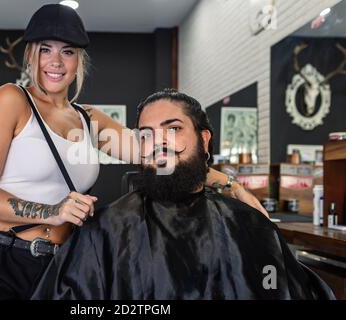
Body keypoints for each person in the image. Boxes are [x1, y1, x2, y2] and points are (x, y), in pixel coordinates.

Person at [0, 4, 267, 299]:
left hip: (57, 267)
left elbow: (157, 155)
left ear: (78, 60)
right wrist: (51, 211)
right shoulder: (12, 99)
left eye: (67, 52)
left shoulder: (88, 120)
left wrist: (229, 185)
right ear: (31, 55)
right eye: (46, 50)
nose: (56, 62)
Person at [31, 89, 334, 300]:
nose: (159, 141)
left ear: (203, 138)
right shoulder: (104, 231)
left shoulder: (250, 226)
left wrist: (235, 188)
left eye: (173, 129)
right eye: (146, 134)